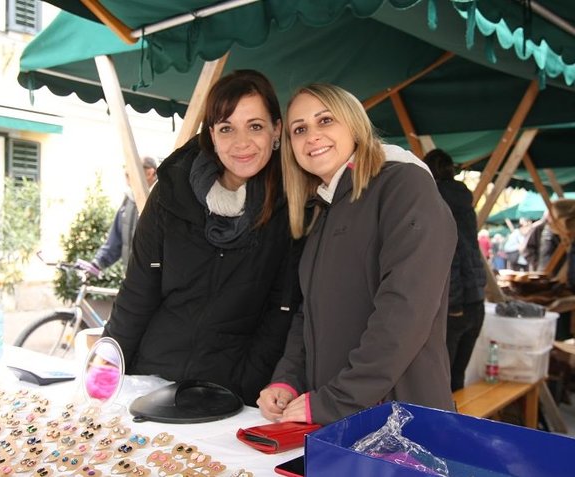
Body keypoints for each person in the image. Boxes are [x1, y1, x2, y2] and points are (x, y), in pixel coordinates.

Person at [257, 84, 457, 425]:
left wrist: (338, 399)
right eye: (299, 129)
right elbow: (310, 312)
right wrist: (288, 379)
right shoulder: (324, 207)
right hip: (339, 417)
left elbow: (405, 310)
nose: (312, 136)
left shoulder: (404, 185)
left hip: (400, 421)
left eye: (325, 120)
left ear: (354, 125)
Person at [102, 70, 301, 406]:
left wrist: (244, 387)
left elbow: (279, 315)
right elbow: (137, 293)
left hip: (230, 393)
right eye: (226, 128)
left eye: (255, 126)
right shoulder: (171, 191)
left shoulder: (291, 204)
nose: (241, 142)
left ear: (276, 130)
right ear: (211, 134)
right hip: (150, 380)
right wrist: (105, 369)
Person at [423, 148, 486, 392]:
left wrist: (454, 304)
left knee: (439, 383)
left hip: (455, 304)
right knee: (457, 379)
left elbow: (451, 256)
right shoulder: (464, 200)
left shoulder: (435, 199)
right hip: (476, 300)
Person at [91, 156, 158, 273]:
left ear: (149, 173)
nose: (126, 177)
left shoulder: (163, 201)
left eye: (129, 173)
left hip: (156, 279)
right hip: (132, 276)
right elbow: (115, 241)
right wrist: (97, 263)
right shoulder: (129, 200)